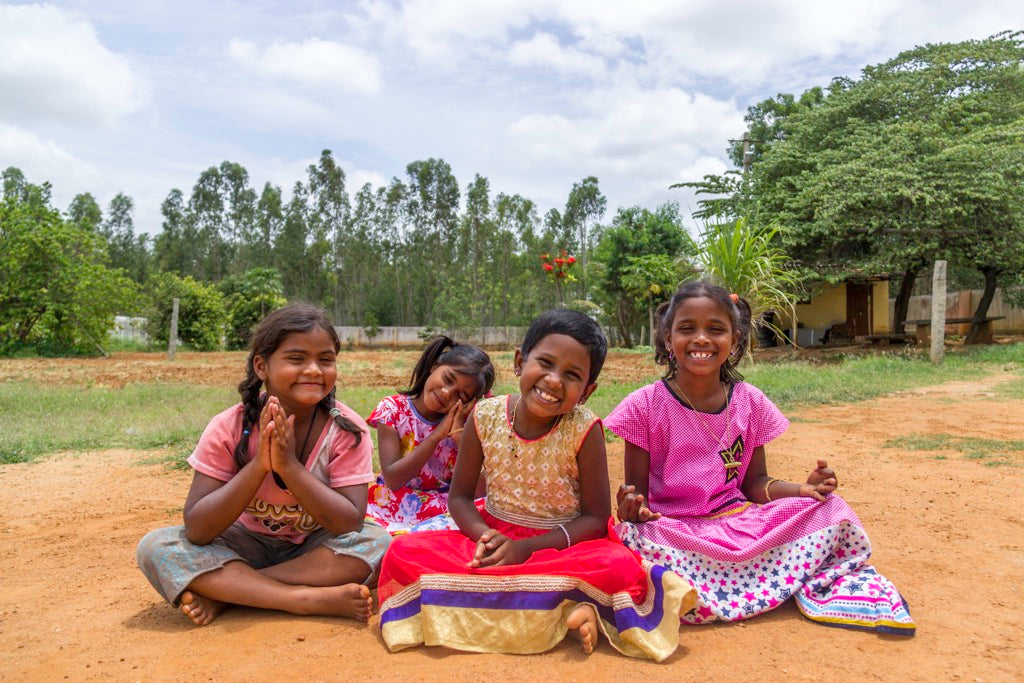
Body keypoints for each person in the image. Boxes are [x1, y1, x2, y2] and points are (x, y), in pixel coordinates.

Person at [377, 310, 697, 661]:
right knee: (404, 553)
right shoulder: (484, 417)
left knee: (617, 565)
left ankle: (537, 606)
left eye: (572, 375)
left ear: (587, 391)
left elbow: (595, 518)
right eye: (545, 362)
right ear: (519, 361)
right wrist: (486, 539)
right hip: (491, 534)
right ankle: (567, 604)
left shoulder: (586, 430)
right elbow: (461, 498)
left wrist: (526, 549)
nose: (554, 380)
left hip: (561, 544)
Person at [606, 281, 916, 635]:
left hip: (739, 525)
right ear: (667, 339)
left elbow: (755, 484)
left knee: (830, 509)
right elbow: (638, 503)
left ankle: (716, 589)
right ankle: (765, 581)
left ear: (735, 340)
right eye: (687, 329)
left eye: (716, 329)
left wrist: (803, 488)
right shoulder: (643, 406)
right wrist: (634, 509)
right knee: (632, 539)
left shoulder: (749, 402)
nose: (702, 339)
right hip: (675, 532)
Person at [136, 304, 391, 626]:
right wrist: (259, 465)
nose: (314, 370)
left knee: (379, 545)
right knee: (156, 547)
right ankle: (299, 600)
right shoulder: (229, 426)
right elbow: (198, 529)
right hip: (242, 544)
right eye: (297, 359)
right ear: (261, 366)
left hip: (314, 548)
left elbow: (348, 524)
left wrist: (290, 467)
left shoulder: (347, 430)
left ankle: (230, 594)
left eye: (325, 359)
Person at [365, 336, 494, 534]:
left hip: (444, 511)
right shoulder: (392, 410)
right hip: (394, 506)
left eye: (461, 396)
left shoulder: (469, 427)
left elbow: (480, 490)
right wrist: (436, 436)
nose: (446, 393)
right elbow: (393, 479)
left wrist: (460, 435)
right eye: (448, 379)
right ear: (435, 366)